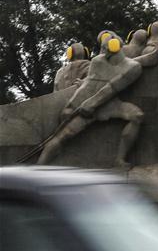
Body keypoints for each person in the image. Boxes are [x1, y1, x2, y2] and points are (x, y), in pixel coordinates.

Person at [38, 33, 144, 167]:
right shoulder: (98, 61)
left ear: (115, 47)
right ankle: (40, 166)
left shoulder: (133, 67)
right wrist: (71, 106)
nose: (103, 53)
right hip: (87, 103)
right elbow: (88, 85)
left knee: (137, 116)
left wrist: (91, 104)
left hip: (108, 103)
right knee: (63, 136)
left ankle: (120, 160)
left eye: (105, 49)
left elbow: (111, 89)